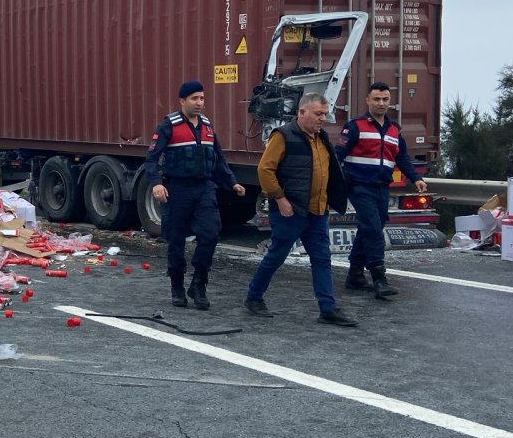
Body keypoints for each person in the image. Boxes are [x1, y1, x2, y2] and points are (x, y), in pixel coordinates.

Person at [244, 93, 355, 326]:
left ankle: (328, 308)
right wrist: (280, 199)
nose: (322, 118)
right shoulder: (283, 136)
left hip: (317, 212)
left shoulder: (322, 139)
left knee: (322, 259)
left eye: (324, 114)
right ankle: (254, 297)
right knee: (276, 256)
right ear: (302, 112)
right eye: (318, 114)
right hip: (290, 211)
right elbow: (265, 170)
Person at [143, 80, 245, 310]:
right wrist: (157, 184)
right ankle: (177, 286)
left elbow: (217, 158)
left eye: (201, 98)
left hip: (204, 188)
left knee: (210, 235)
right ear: (182, 101)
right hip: (177, 189)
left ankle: (199, 284)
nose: (199, 103)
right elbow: (151, 159)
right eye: (194, 99)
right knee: (176, 240)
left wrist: (232, 182)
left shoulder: (207, 126)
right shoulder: (169, 125)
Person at [336, 82, 427, 298]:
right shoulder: (355, 126)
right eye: (376, 99)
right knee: (374, 230)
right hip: (358, 185)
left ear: (390, 101)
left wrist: (416, 178)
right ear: (367, 100)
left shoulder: (394, 129)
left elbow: (401, 157)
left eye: (385, 99)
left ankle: (355, 275)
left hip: (381, 187)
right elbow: (337, 154)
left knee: (368, 229)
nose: (381, 103)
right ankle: (379, 278)